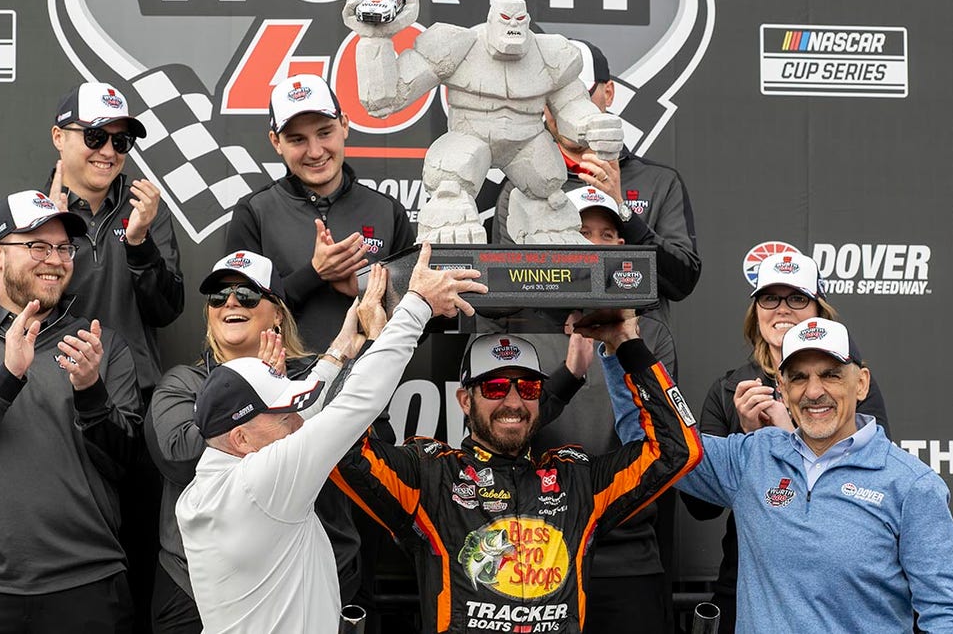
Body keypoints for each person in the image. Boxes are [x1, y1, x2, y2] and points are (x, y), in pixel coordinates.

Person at [176, 244, 486, 633]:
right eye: (284, 415)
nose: (298, 423)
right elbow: (357, 403)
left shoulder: (208, 484)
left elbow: (306, 407)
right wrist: (417, 305)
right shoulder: (260, 484)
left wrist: (341, 347)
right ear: (241, 439)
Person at [332, 320, 703, 634]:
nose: (512, 402)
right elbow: (337, 448)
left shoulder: (578, 481)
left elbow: (678, 450)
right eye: (495, 387)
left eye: (527, 388)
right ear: (465, 400)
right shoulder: (430, 476)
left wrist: (627, 343)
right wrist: (366, 347)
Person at [0, 190, 142, 632]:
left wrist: (90, 391)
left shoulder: (103, 347)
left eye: (63, 247)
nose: (55, 259)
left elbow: (124, 463)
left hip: (86, 583)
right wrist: (8, 376)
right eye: (37, 246)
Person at [664, 318, 953, 632]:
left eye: (830, 375)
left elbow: (947, 618)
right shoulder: (752, 457)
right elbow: (658, 444)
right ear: (782, 389)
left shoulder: (912, 486)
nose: (813, 391)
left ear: (862, 383)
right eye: (799, 377)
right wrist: (624, 343)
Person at [146, 250, 384, 632]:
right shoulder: (182, 382)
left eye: (248, 295)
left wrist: (284, 395)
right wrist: (257, 408)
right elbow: (177, 458)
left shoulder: (314, 376)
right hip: (197, 592)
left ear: (277, 312)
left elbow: (359, 441)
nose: (231, 303)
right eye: (218, 297)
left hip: (310, 582)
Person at [679, 251, 890, 633]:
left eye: (797, 298)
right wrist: (747, 443)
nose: (783, 310)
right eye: (770, 298)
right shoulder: (731, 389)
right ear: (756, 311)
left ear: (818, 309)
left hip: (838, 582)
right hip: (751, 573)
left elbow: (868, 478)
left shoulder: (850, 383)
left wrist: (779, 438)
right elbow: (700, 504)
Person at [49, 81, 186, 631]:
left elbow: (166, 309)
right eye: (95, 136)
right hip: (57, 398)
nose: (108, 150)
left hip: (137, 407)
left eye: (121, 140)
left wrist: (139, 242)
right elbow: (11, 312)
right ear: (60, 138)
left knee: (137, 549)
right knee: (66, 547)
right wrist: (50, 237)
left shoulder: (147, 211)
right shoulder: (34, 214)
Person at [517, 186, 681, 631]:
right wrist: (568, 377)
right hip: (539, 553)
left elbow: (660, 444)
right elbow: (502, 439)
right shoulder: (520, 327)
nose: (592, 245)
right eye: (581, 232)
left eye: (605, 236)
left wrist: (621, 346)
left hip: (628, 554)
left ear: (621, 249)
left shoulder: (650, 335)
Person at [343, 0, 624, 244]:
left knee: (548, 191)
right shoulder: (457, 45)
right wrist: (375, 39)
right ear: (491, 20)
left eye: (519, 20)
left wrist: (594, 125)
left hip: (527, 141)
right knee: (452, 186)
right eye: (505, 18)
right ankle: (449, 221)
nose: (512, 25)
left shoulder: (551, 54)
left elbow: (571, 105)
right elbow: (384, 100)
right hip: (469, 135)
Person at [493, 39, 701, 329]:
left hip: (633, 356)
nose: (567, 112)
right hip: (553, 361)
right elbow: (507, 295)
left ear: (609, 92)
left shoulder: (659, 182)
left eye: (579, 97)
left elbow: (682, 281)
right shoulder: (519, 186)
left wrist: (623, 211)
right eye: (555, 98)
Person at [225, 73, 415, 352]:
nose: (315, 151)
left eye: (324, 133)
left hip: (369, 384)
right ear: (276, 142)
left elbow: (415, 327)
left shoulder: (387, 211)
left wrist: (363, 293)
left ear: (345, 125)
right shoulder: (254, 211)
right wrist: (315, 274)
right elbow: (234, 317)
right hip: (281, 386)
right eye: (297, 139)